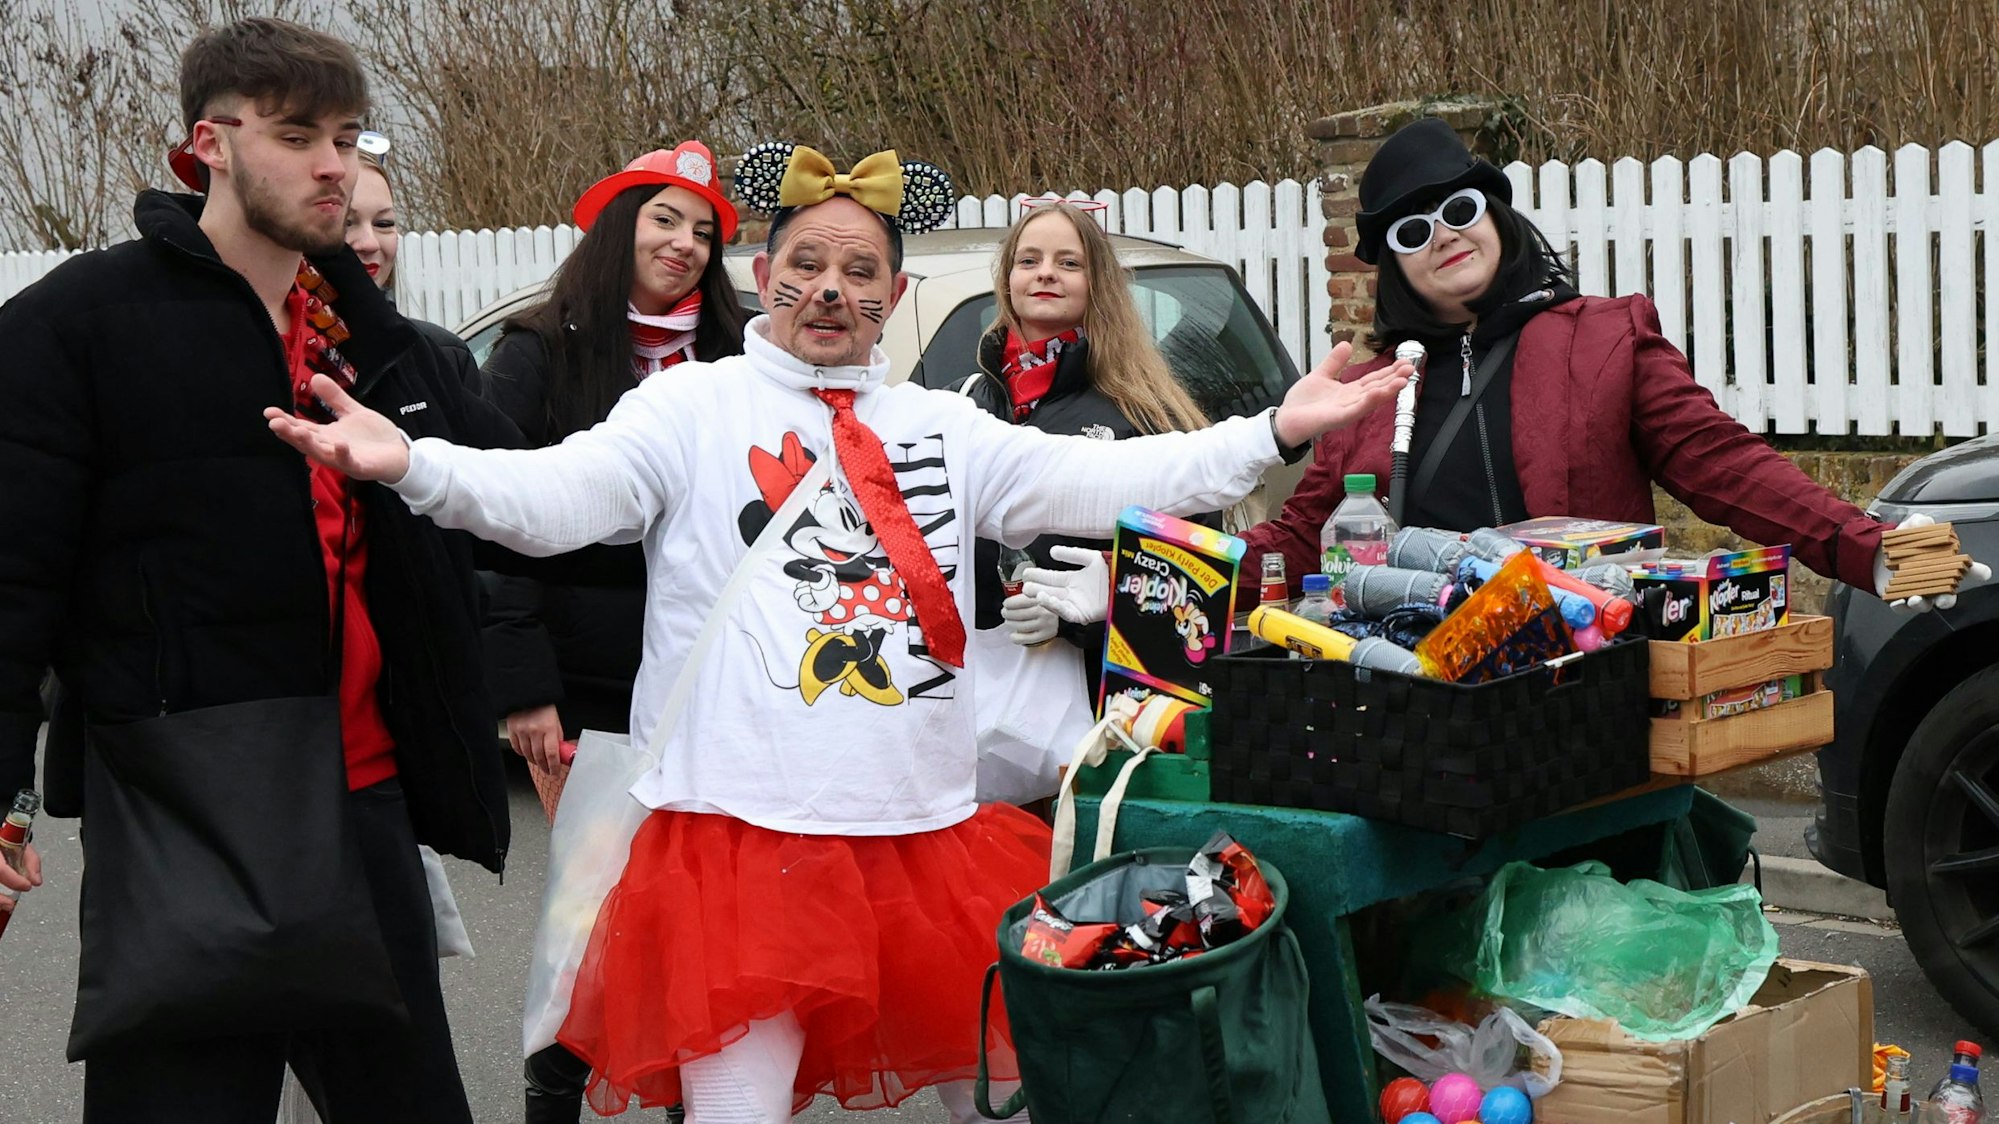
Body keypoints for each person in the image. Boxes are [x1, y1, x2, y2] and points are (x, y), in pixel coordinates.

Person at [264, 141, 1408, 1122]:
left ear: (893, 293)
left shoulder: (945, 428)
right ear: (764, 275)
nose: (829, 289)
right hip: (738, 842)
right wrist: (414, 466)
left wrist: (1270, 427)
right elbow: (556, 497)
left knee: (1007, 1089)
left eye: (858, 270)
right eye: (805, 263)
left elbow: (1110, 473)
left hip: (920, 834)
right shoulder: (689, 406)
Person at [0, 18, 518, 1123]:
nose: (334, 163)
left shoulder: (376, 337)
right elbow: (12, 586)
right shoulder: (75, 325)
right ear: (209, 144)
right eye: (296, 134)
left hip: (367, 802)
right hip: (188, 805)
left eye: (346, 135)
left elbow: (506, 508)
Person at [1225, 116, 1987, 613]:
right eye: (1411, 231)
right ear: (1391, 264)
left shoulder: (1603, 340)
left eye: (1459, 211)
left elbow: (1721, 465)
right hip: (1417, 701)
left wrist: (1866, 546)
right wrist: (1171, 562)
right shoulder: (1364, 391)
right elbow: (1300, 539)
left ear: (1496, 216)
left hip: (1583, 684)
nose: (1442, 237)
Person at [483, 142, 748, 1124]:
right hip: (591, 691)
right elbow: (496, 521)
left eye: (704, 230)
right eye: (664, 220)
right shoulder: (537, 352)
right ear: (616, 228)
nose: (685, 244)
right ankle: (551, 1101)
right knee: (585, 918)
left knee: (707, 927)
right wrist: (521, 682)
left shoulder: (735, 362)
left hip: (719, 690)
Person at [951, 200, 1215, 802]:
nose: (1045, 273)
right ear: (1007, 280)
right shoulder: (964, 404)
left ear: (1098, 285)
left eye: (1068, 262)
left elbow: (1190, 590)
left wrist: (1083, 625)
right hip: (976, 713)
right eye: (1030, 260)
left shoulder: (1148, 415)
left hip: (1104, 730)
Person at [344, 145, 484, 389]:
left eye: (384, 223)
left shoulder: (445, 356)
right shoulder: (268, 357)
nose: (370, 242)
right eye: (346, 222)